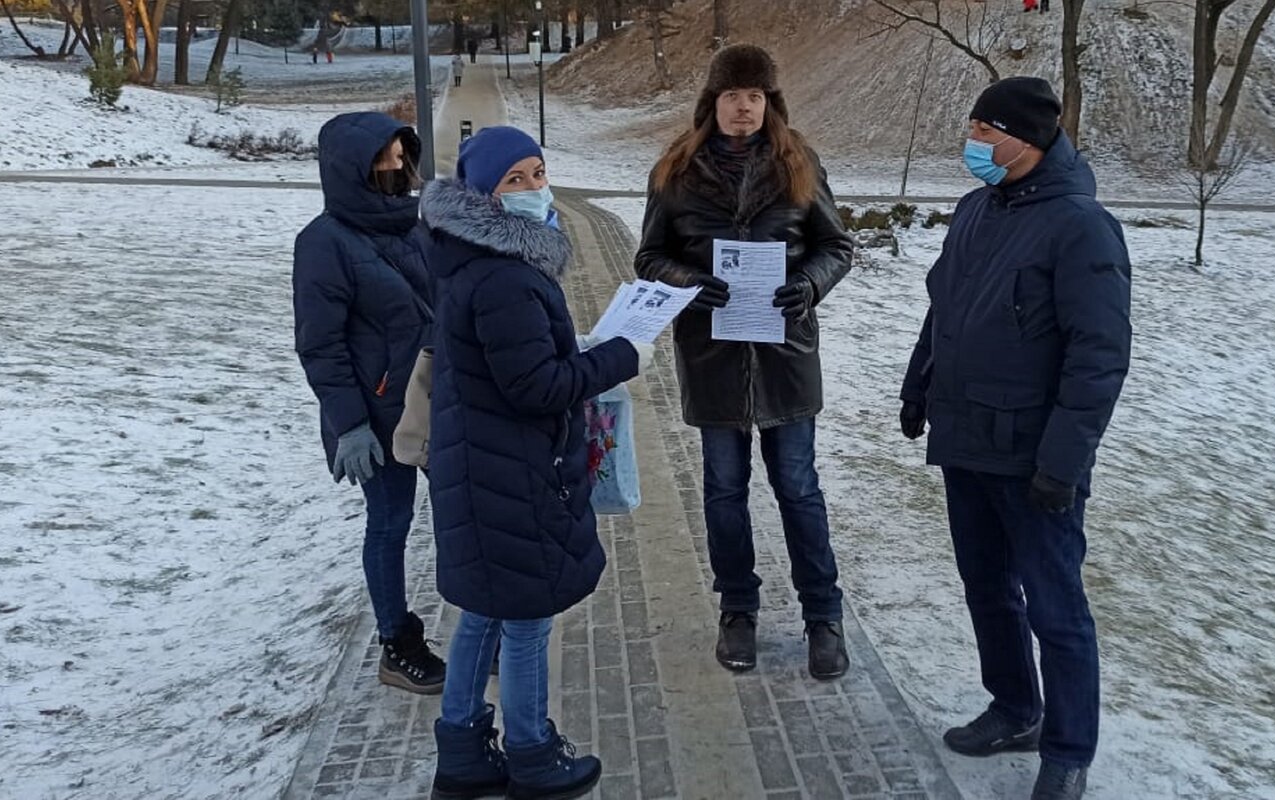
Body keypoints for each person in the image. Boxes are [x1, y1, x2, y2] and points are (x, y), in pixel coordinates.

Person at [899, 77, 1131, 800]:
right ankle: (1014, 707)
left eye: (983, 129)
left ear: (1025, 141)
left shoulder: (1082, 227)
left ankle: (1067, 750)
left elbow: (1099, 357)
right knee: (987, 590)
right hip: (966, 436)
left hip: (1034, 460)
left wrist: (1063, 464)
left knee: (1056, 608)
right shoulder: (976, 208)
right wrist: (918, 386)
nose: (971, 142)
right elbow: (944, 310)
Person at [420, 126, 654, 800]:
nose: (532, 188)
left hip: (484, 471)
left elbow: (513, 366)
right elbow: (538, 387)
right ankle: (530, 753)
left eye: (538, 171)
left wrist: (580, 346)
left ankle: (462, 753)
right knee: (525, 620)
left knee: (485, 613)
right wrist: (620, 354)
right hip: (511, 479)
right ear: (484, 195)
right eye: (513, 179)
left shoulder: (475, 259)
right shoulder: (504, 277)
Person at [634, 44, 855, 680]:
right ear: (713, 102)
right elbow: (648, 258)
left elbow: (835, 245)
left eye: (755, 96)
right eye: (733, 96)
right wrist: (687, 280)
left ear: (770, 102)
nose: (744, 107)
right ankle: (737, 607)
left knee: (799, 489)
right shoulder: (675, 169)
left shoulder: (797, 161)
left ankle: (823, 616)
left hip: (786, 354)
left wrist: (809, 284)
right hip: (712, 355)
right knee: (725, 491)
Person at [293, 112, 446, 696]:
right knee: (391, 524)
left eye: (398, 154)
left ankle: (481, 628)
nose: (393, 167)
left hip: (437, 400)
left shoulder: (417, 223)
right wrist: (350, 425)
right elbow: (320, 344)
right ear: (348, 167)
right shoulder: (323, 243)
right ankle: (397, 642)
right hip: (377, 417)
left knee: (460, 514)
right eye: (379, 157)